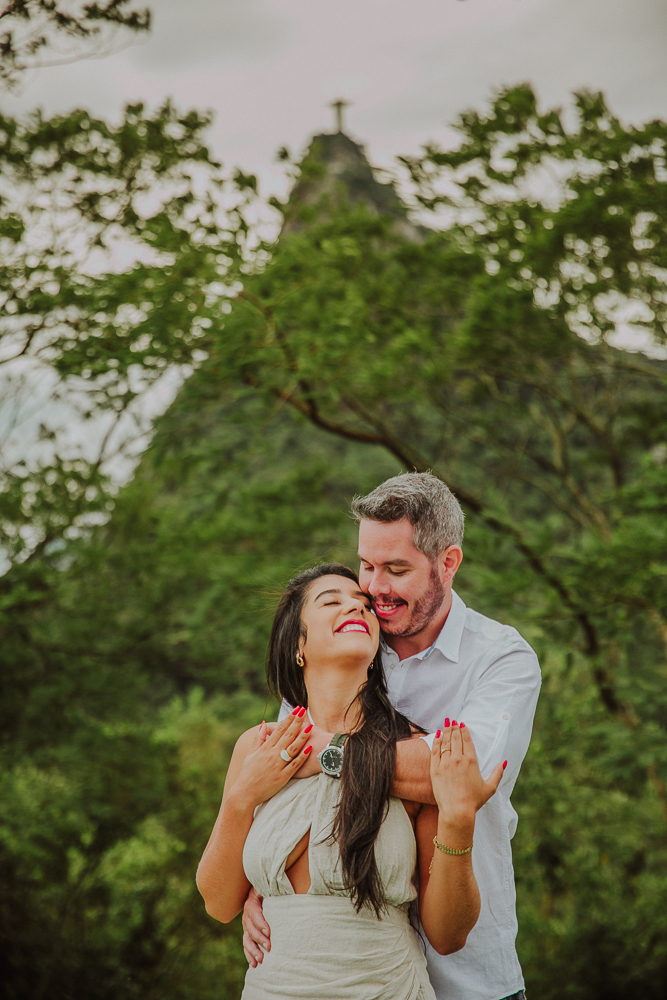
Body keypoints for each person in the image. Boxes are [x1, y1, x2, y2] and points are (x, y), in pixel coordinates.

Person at [243, 473, 542, 1000]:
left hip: (467, 977)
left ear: (448, 563)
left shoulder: (502, 658)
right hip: (339, 974)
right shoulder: (346, 638)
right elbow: (276, 782)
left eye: (397, 569)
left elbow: (459, 780)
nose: (374, 588)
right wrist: (262, 882)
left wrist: (327, 751)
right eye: (367, 565)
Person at [197, 563, 505, 999]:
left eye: (363, 604)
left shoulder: (413, 752)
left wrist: (459, 823)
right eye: (332, 602)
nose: (356, 608)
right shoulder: (259, 747)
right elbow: (219, 902)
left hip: (385, 987)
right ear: (297, 644)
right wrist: (242, 798)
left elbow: (448, 936)